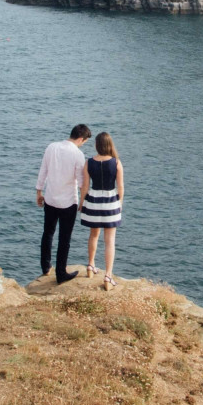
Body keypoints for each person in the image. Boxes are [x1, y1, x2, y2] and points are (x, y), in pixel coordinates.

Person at [36, 124, 92, 283]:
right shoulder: (78, 154)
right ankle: (61, 274)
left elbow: (43, 171)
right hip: (68, 202)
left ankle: (46, 268)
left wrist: (39, 192)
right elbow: (81, 182)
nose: (83, 144)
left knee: (47, 233)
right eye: (84, 142)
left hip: (51, 199)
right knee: (64, 239)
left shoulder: (51, 147)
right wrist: (82, 201)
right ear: (81, 139)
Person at [80, 131, 124, 290]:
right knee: (110, 241)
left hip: (93, 202)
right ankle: (108, 276)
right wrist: (120, 203)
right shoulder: (116, 162)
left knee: (93, 235)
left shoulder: (89, 162)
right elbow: (120, 187)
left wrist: (81, 203)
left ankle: (91, 266)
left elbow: (85, 186)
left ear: (97, 145)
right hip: (111, 203)